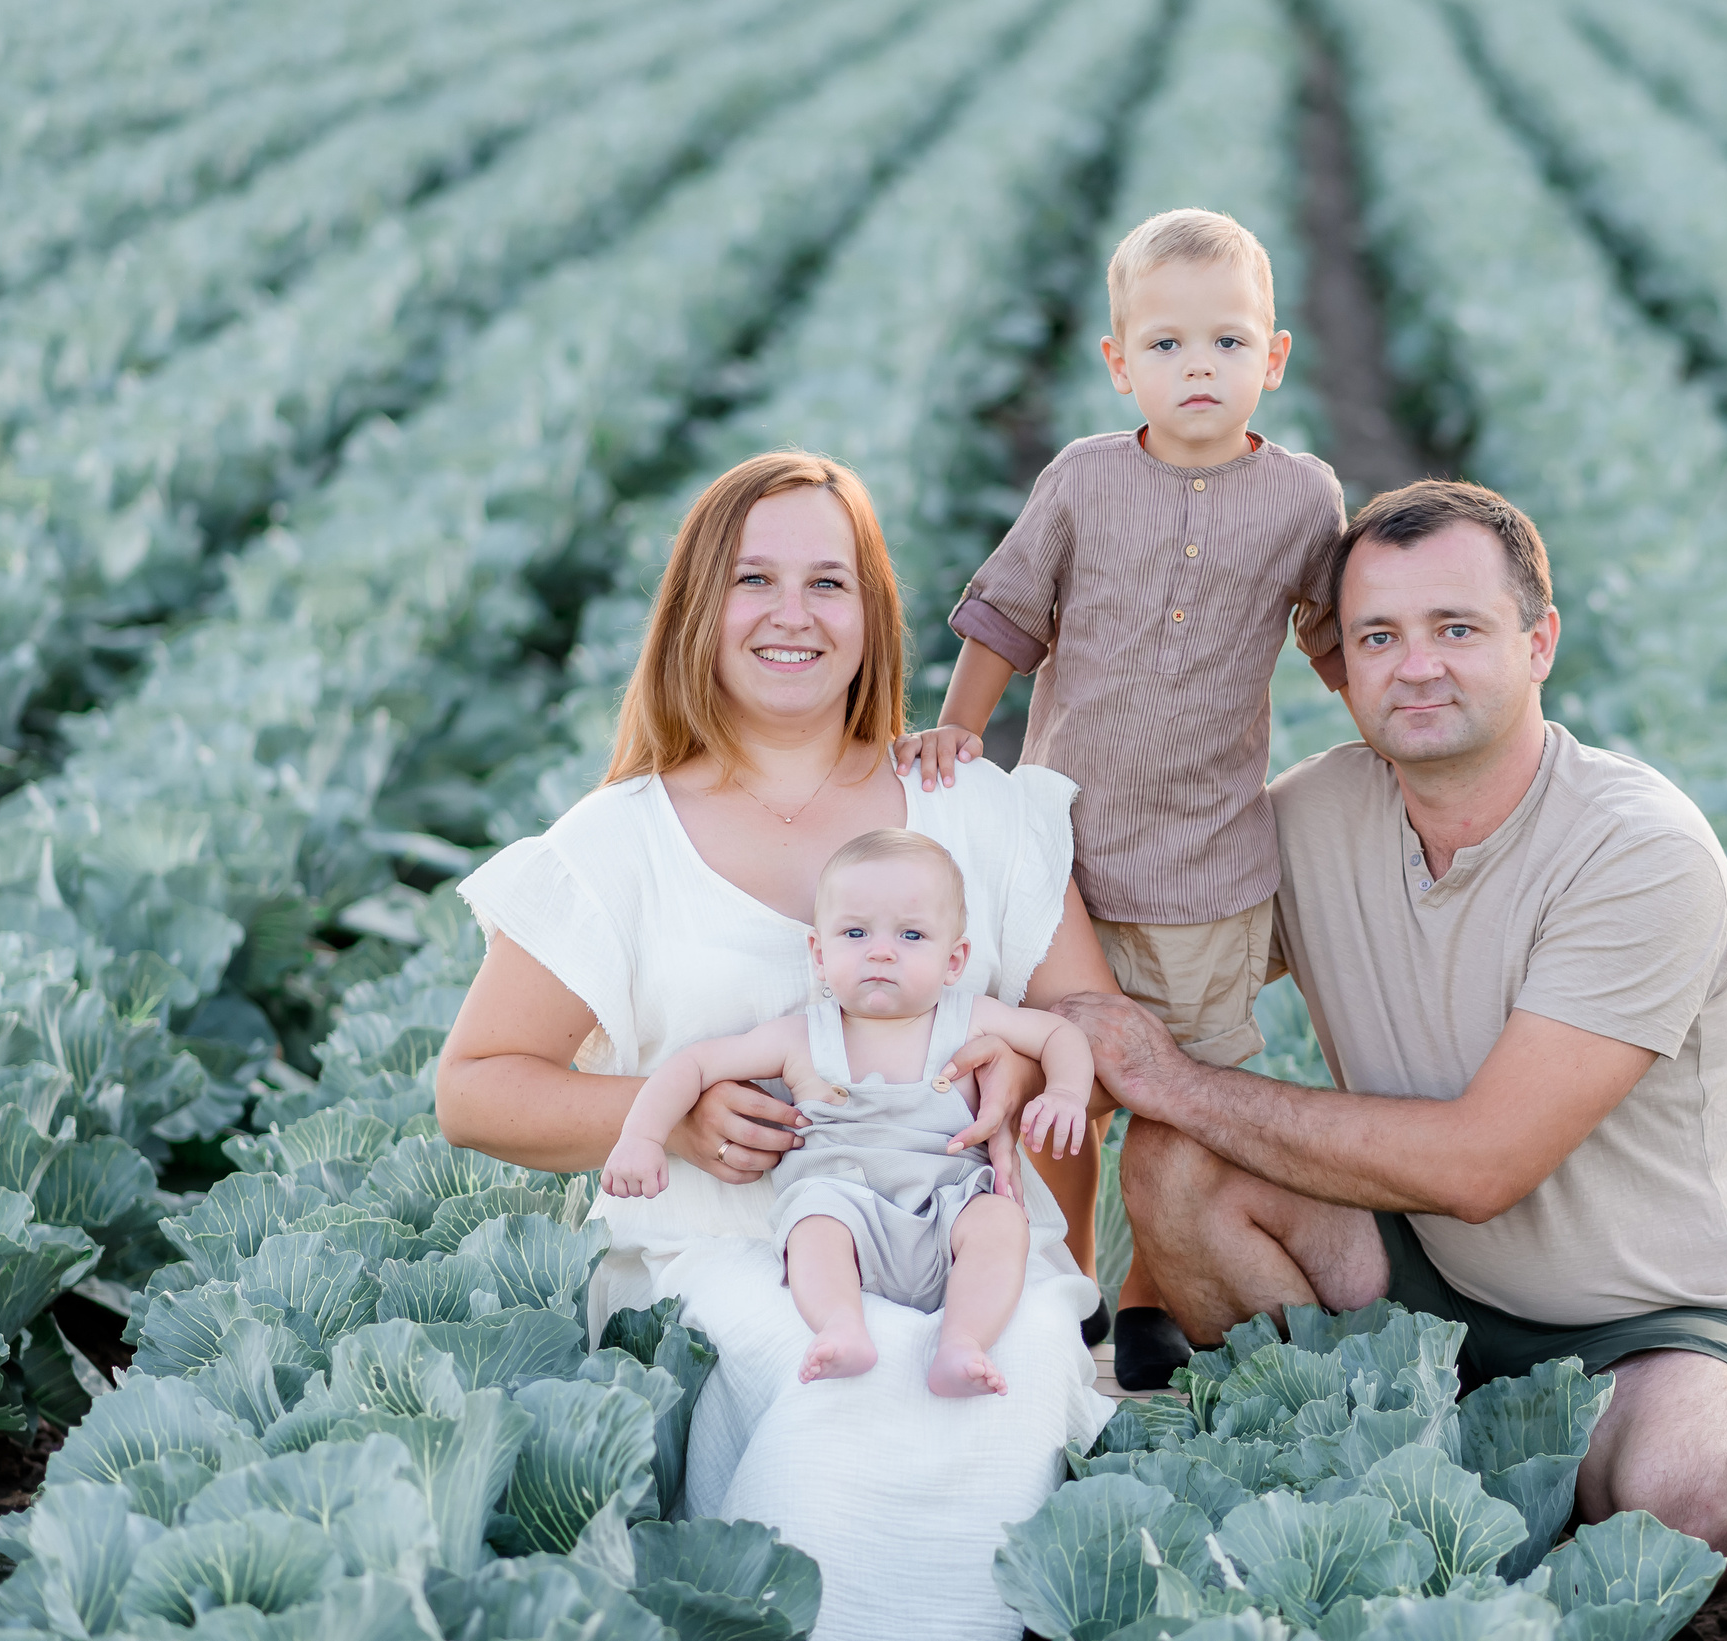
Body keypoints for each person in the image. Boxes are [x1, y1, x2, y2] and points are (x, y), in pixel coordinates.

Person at [1056, 481, 1727, 1579]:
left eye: (1456, 629)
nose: (1416, 666)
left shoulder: (1638, 852)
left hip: (1647, 1323)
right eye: (1378, 637)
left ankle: (1625, 1498)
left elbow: (1481, 1165)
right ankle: (1394, 1468)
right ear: (1339, 665)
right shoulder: (1313, 817)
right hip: (1415, 1276)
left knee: (1676, 1508)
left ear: (1538, 642)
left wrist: (1166, 1077)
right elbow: (1139, 935)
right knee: (1177, 1170)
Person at [436, 452, 1118, 1641]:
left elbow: (1090, 1022)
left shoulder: (972, 806)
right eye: (755, 580)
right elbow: (475, 1090)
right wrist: (673, 1112)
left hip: (965, 1232)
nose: (793, 615)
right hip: (724, 1247)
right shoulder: (620, 840)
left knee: (988, 1386)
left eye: (829, 583)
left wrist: (1017, 1067)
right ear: (699, 609)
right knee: (837, 1402)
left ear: (872, 616)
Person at [897, 207, 1346, 1386]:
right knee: (1062, 1094)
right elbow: (1008, 611)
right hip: (1065, 865)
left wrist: (1389, 743)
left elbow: (1336, 635)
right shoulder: (1086, 481)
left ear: (1275, 358)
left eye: (1227, 345)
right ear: (1117, 363)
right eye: (1164, 347)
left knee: (1178, 1103)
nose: (1197, 369)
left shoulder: (1303, 499)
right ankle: (1069, 1277)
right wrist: (956, 726)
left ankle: (1150, 1288)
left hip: (1205, 872)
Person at [602, 828, 1093, 1396]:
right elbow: (695, 1064)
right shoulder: (803, 1037)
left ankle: (963, 1341)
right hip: (844, 1203)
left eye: (911, 935)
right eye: (855, 932)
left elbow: (1060, 1034)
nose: (881, 951)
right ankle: (840, 1325)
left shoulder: (970, 1018)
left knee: (1002, 1223)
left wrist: (1065, 1093)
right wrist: (642, 1134)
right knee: (813, 1226)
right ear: (819, 953)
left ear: (954, 959)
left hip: (950, 1202)